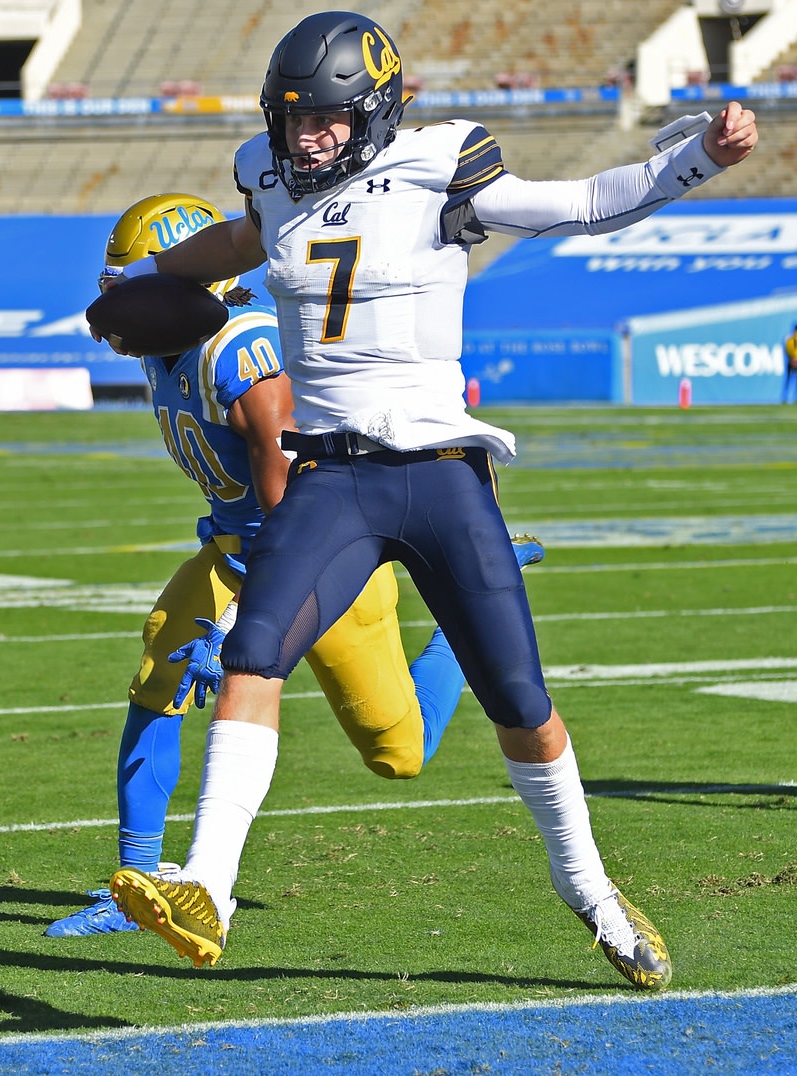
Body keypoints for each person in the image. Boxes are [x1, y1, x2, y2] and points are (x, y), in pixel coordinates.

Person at [105, 12, 757, 989]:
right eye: (291, 120)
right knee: (253, 651)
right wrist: (148, 277)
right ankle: (209, 888)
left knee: (521, 701)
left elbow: (581, 200)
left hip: (441, 469)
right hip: (331, 475)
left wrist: (694, 158)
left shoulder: (439, 168)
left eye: (324, 121)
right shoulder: (273, 181)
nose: (305, 139)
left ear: (371, 113)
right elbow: (237, 241)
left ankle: (592, 892)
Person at [46, 192, 544, 938]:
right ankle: (138, 883)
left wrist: (241, 623)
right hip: (232, 549)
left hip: (320, 558)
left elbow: (296, 519)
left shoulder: (243, 356)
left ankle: (454, 632)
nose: (124, 311)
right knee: (161, 668)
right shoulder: (174, 344)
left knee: (398, 753)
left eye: (140, 290)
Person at [783, 322, 797, 403]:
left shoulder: (789, 339)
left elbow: (787, 350)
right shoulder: (790, 339)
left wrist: (791, 359)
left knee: (788, 380)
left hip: (791, 362)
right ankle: (794, 398)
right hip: (793, 361)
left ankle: (785, 397)